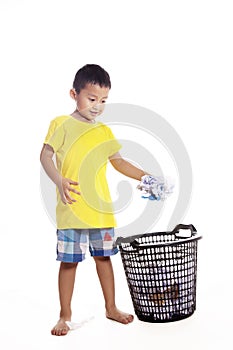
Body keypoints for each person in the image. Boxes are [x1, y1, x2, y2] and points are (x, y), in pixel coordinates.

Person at [40, 64, 149, 336]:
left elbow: (119, 162)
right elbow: (45, 155)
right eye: (91, 99)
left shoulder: (103, 132)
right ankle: (64, 315)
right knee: (69, 262)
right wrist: (59, 180)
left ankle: (111, 307)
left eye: (103, 101)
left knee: (104, 259)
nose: (98, 106)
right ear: (73, 94)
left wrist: (145, 176)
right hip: (72, 209)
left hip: (101, 212)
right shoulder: (61, 124)